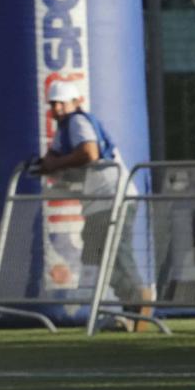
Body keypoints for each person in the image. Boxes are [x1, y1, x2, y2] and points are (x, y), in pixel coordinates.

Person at [27, 71, 153, 325]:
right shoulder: (67, 128)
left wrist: (54, 164)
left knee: (116, 253)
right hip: (101, 199)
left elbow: (90, 153)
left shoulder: (77, 122)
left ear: (76, 102)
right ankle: (132, 308)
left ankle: (141, 299)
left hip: (111, 197)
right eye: (54, 104)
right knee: (97, 256)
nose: (58, 108)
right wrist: (47, 165)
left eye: (62, 103)